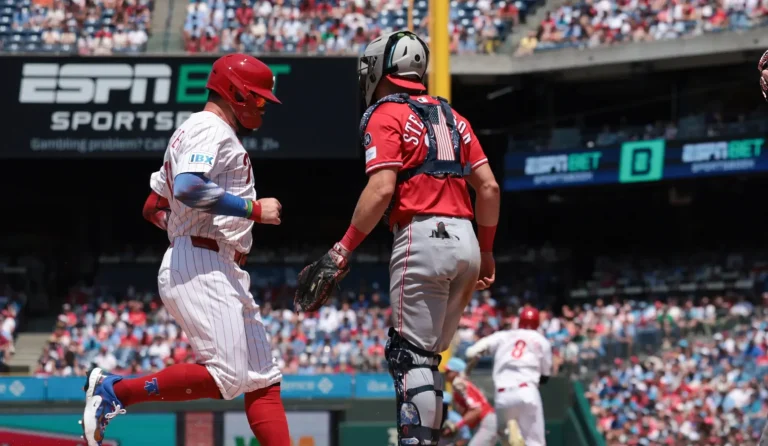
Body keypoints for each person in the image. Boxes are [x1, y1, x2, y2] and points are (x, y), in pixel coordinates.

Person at [295, 29, 500, 446]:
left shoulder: (384, 113)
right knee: (429, 360)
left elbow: (382, 189)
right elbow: (490, 188)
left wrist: (342, 248)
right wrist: (489, 250)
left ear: (379, 70)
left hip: (423, 235)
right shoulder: (455, 117)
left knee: (409, 357)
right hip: (468, 241)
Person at [80, 54, 289, 446]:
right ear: (235, 93)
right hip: (201, 261)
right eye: (258, 99)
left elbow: (152, 206)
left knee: (263, 378)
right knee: (229, 377)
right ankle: (115, 390)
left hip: (214, 259)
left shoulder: (195, 131)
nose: (263, 107)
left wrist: (178, 227)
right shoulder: (210, 128)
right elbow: (188, 188)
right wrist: (254, 210)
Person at [465, 307, 552, 446]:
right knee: (535, 442)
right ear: (537, 323)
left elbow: (471, 351)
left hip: (502, 395)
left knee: (504, 439)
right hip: (526, 390)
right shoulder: (541, 341)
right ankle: (516, 435)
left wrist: (473, 360)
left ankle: (510, 434)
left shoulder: (504, 335)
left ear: (519, 321)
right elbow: (545, 376)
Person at [443, 358, 498, 446]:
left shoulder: (459, 384)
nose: (446, 373)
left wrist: (456, 426)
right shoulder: (459, 385)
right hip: (483, 423)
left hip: (486, 421)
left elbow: (477, 410)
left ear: (456, 373)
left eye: (448, 371)